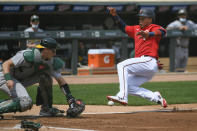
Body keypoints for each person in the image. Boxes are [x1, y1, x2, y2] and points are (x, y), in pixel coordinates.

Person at [0, 38, 85, 117]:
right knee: (26, 102)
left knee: (45, 77)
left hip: (20, 80)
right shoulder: (28, 54)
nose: (55, 53)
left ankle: (46, 109)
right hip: (5, 77)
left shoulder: (49, 62)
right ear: (46, 49)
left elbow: (60, 80)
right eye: (53, 50)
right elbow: (6, 64)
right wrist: (8, 79)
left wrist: (70, 98)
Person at [106, 7, 167, 108]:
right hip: (144, 65)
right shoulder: (136, 28)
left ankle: (122, 97)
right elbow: (123, 27)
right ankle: (156, 97)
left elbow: (163, 31)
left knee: (122, 66)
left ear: (150, 19)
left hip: (148, 61)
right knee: (128, 87)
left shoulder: (153, 27)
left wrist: (149, 34)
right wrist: (114, 15)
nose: (140, 20)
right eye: (140, 18)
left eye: (143, 18)